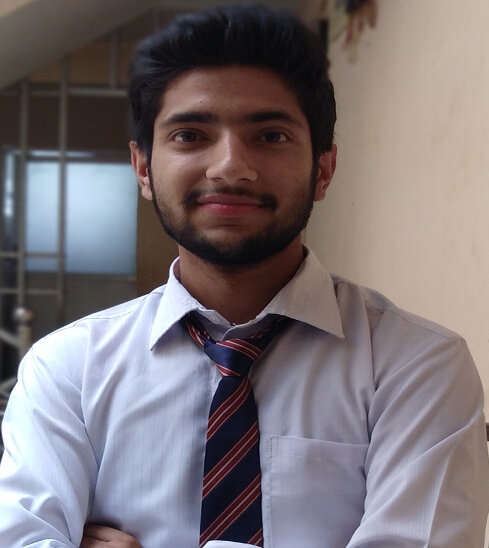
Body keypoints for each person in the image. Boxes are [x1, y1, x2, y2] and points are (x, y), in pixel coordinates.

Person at [0, 4, 488, 548]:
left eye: (271, 135)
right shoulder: (68, 370)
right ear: (143, 168)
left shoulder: (416, 366)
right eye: (190, 135)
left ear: (323, 168)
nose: (230, 166)